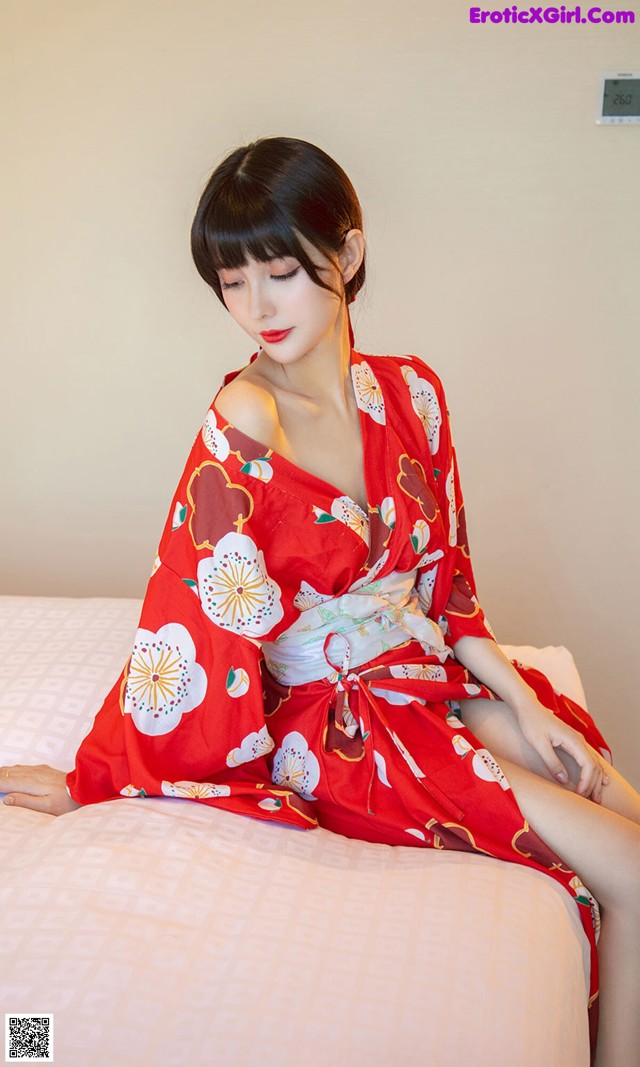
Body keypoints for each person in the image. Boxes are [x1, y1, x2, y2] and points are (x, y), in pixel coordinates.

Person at [2, 136, 639, 1066]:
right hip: (341, 724)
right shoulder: (244, 418)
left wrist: (526, 701)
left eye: (282, 272)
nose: (256, 307)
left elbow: (449, 584)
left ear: (346, 252)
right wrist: (105, 776)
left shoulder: (413, 394)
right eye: (232, 279)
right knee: (627, 870)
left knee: (622, 810)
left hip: (425, 676)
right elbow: (192, 612)